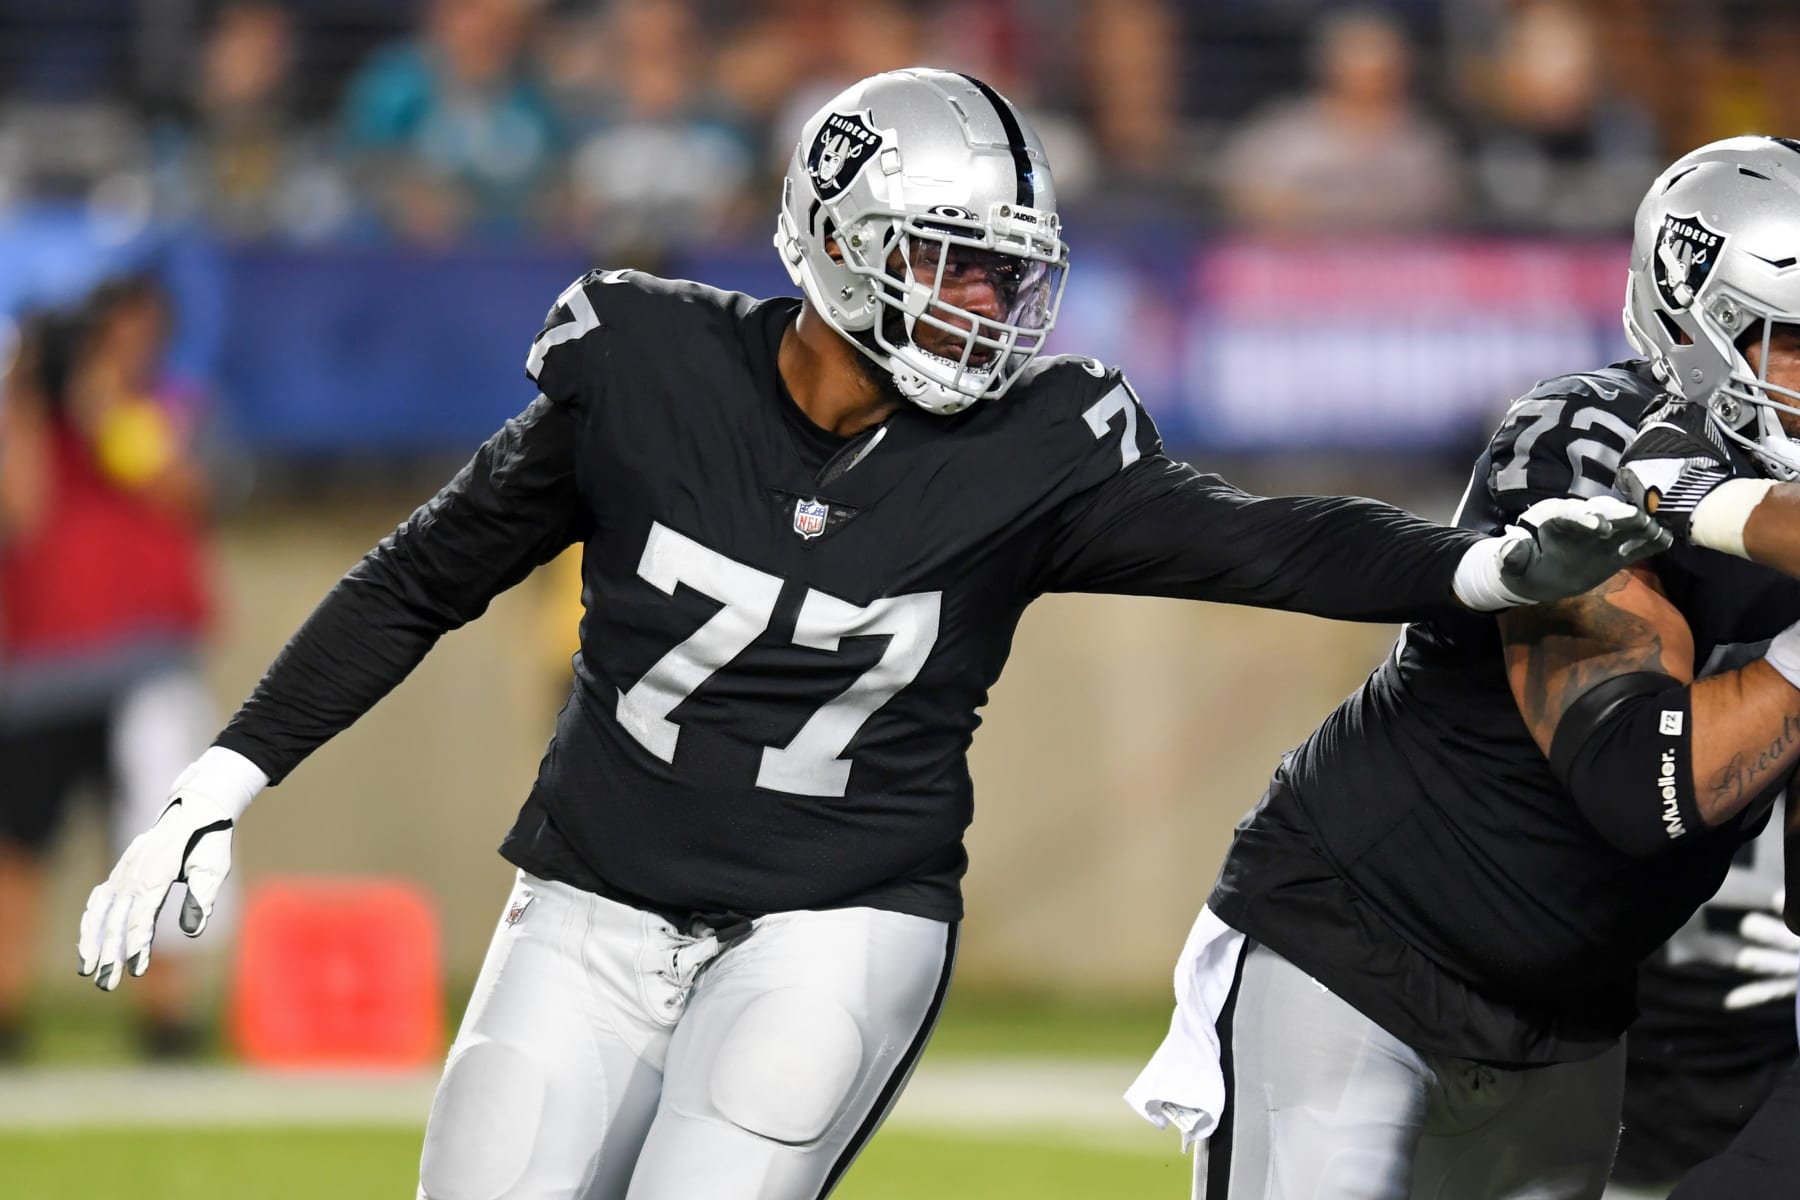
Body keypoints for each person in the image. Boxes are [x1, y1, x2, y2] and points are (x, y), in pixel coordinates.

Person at [77, 69, 1655, 1199]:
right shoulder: (646, 368)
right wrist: (218, 784)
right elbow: (421, 576)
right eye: (951, 263)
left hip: (838, 916)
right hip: (590, 905)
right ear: (836, 242)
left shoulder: (1040, 443)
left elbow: (1269, 542)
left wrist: (1485, 569)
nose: (988, 305)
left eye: (1005, 272)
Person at [1129, 134, 1800, 1199]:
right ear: (1697, 324)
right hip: (1364, 951)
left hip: (1574, 1012)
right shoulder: (1580, 436)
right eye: (1794, 341)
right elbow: (1641, 783)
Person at [1, 280, 222, 1059]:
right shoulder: (33, 422)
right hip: (42, 672)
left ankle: (167, 1020)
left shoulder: (172, 404)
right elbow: (20, 514)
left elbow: (177, 485)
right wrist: (26, 395)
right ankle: (9, 1016)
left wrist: (102, 406)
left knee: (156, 842)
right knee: (19, 846)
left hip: (146, 666)